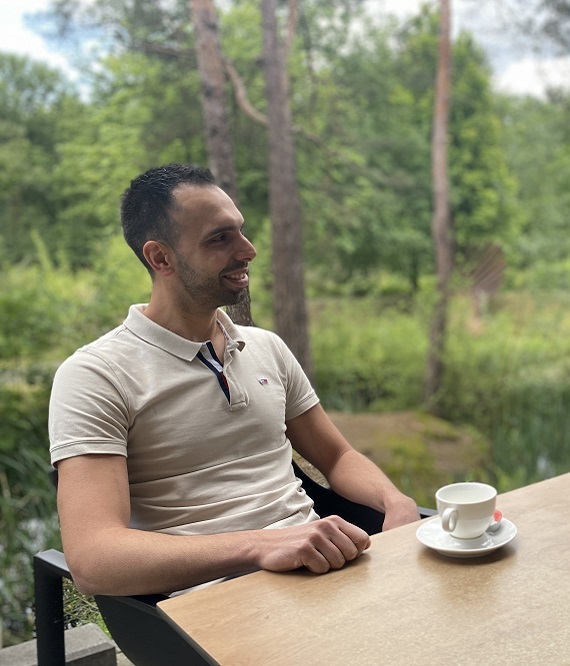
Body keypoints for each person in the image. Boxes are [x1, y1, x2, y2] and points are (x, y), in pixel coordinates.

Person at [49, 164, 421, 597]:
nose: (248, 250)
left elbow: (337, 456)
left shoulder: (266, 348)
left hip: (324, 569)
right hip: (212, 602)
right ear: (160, 257)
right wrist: (261, 546)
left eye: (240, 231)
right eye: (220, 238)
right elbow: (94, 560)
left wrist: (396, 503)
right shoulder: (95, 376)